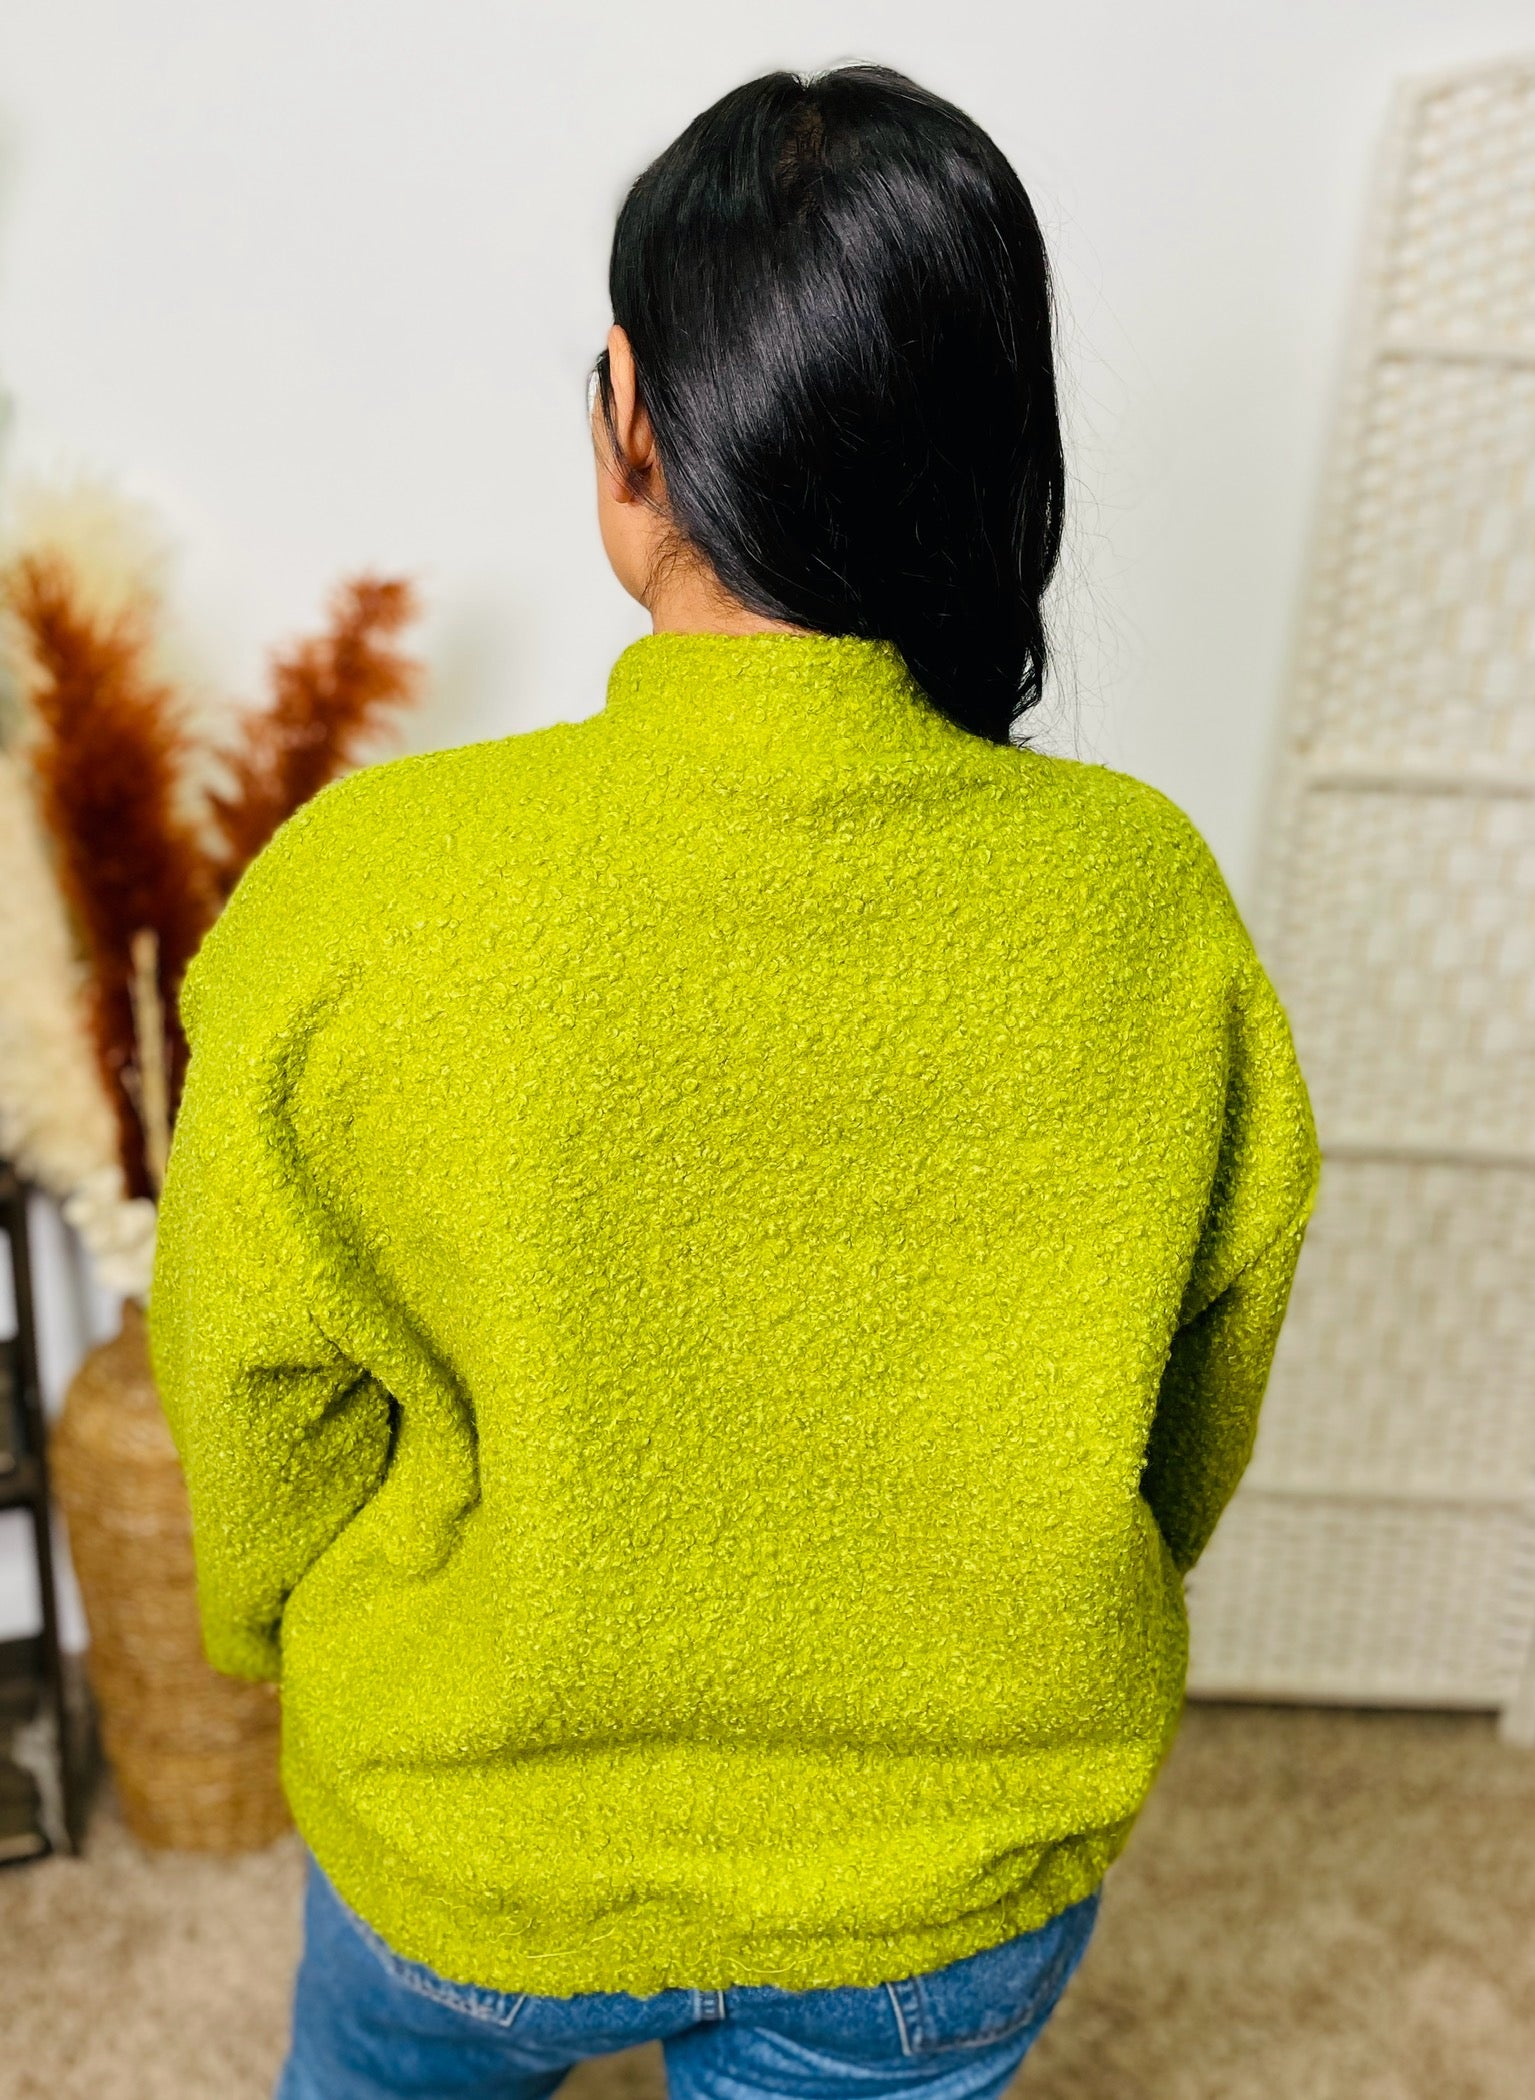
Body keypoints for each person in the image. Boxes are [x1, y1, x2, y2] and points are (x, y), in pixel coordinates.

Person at [148, 62, 1319, 2100]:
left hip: (466, 1842)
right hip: (937, 1886)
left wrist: (295, 1650)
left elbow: (254, 1407)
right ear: (996, 446)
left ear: (632, 420)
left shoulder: (368, 893)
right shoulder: (1142, 903)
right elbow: (1189, 1407)